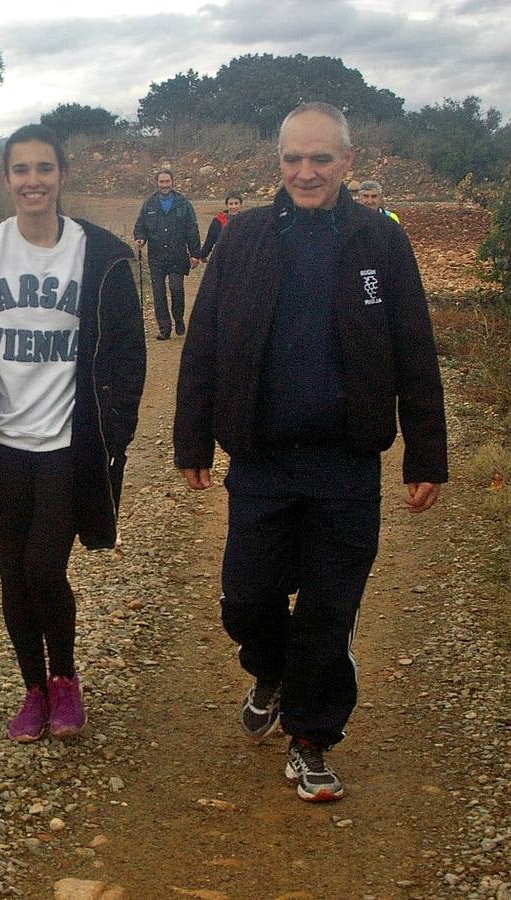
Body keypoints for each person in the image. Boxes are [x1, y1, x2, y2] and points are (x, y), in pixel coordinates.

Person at [174, 102, 447, 802]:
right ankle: (273, 669)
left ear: (348, 162)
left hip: (347, 466)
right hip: (262, 462)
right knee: (247, 599)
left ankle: (311, 739)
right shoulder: (246, 239)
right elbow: (203, 341)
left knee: (329, 609)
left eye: (321, 158)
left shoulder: (379, 243)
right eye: (294, 158)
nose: (306, 170)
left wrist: (426, 455)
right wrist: (192, 436)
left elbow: (414, 350)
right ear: (279, 163)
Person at [0, 124, 146, 743]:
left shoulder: (98, 255)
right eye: (21, 170)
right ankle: (32, 689)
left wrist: (116, 433)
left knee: (45, 567)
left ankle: (66, 681)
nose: (33, 181)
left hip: (65, 447)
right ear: (6, 179)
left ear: (61, 176)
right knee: (11, 573)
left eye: (44, 169)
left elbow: (129, 354)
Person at [133, 169, 201, 340]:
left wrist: (195, 254)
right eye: (161, 182)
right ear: (157, 183)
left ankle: (178, 319)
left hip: (177, 255)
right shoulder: (149, 204)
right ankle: (164, 328)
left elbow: (192, 229)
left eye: (167, 181)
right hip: (156, 256)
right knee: (158, 292)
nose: (164, 185)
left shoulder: (183, 204)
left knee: (176, 288)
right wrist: (140, 238)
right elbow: (140, 226)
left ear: (172, 182)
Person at [199, 193, 243, 261]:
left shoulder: (246, 220)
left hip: (241, 255)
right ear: (227, 205)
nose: (234, 206)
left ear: (240, 204)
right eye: (231, 204)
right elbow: (210, 239)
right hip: (222, 255)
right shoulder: (218, 220)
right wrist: (203, 254)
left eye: (236, 203)